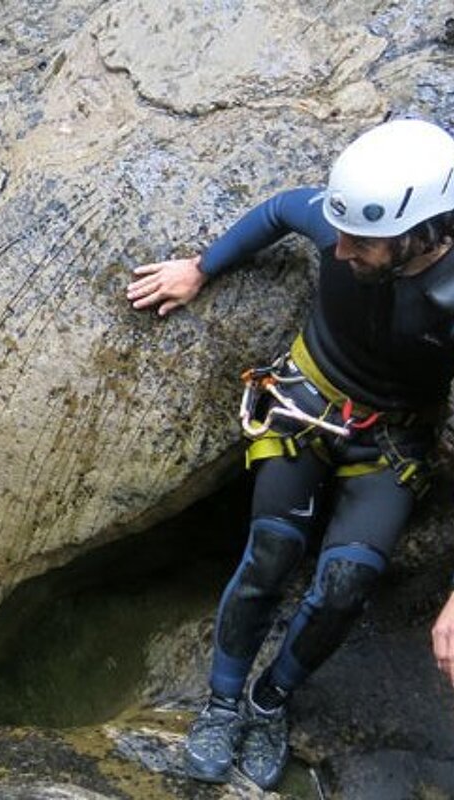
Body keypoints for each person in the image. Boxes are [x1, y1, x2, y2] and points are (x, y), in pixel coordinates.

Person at [125, 117, 454, 789]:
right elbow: (281, 210)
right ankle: (221, 705)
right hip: (308, 404)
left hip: (391, 440)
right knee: (271, 553)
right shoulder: (341, 228)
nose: (341, 250)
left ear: (421, 234)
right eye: (342, 235)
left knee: (345, 586)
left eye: (362, 243)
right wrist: (199, 268)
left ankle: (268, 701)